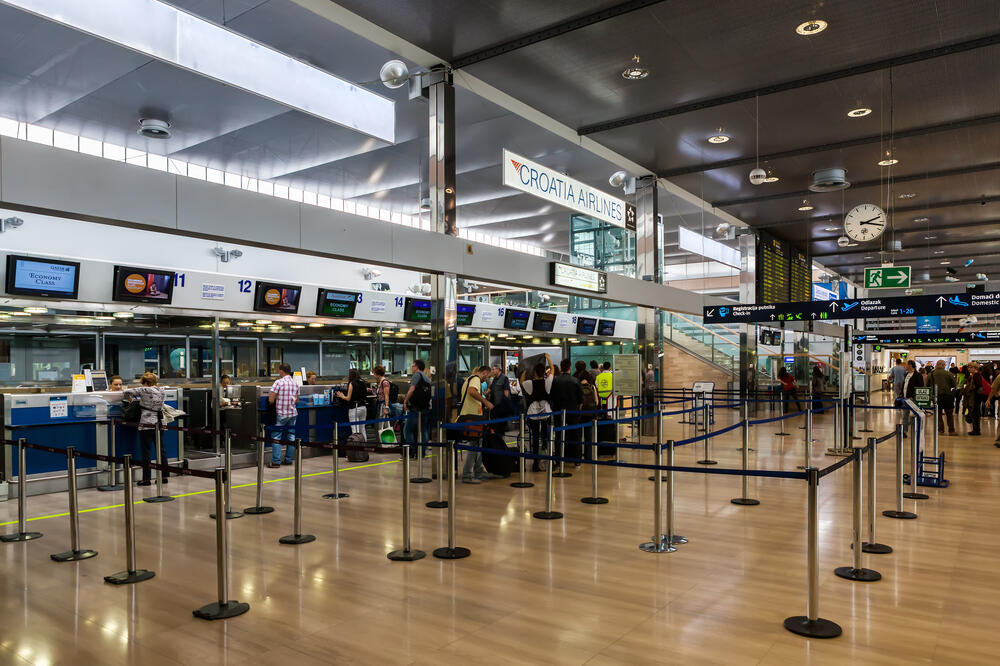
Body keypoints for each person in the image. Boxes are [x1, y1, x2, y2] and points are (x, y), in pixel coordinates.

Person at [124, 372, 166, 486]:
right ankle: (164, 477)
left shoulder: (144, 390)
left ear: (146, 383)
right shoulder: (162, 390)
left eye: (143, 383)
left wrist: (132, 400)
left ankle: (146, 479)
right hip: (160, 422)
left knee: (146, 451)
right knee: (161, 450)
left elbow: (126, 392)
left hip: (146, 424)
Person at [457, 366, 494, 483]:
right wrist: (486, 401)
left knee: (478, 443)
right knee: (473, 445)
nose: (487, 379)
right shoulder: (476, 379)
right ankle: (467, 475)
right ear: (484, 373)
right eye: (487, 377)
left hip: (473, 417)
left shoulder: (470, 379)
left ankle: (479, 471)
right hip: (470, 418)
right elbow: (472, 391)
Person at [521, 356, 554, 473]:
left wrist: (525, 371)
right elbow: (553, 370)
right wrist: (548, 358)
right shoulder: (547, 382)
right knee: (545, 438)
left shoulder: (530, 383)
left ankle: (536, 463)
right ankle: (547, 460)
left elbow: (522, 382)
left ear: (534, 372)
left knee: (535, 438)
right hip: (546, 412)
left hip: (533, 413)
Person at [551, 358, 584, 462]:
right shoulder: (575, 380)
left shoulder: (555, 380)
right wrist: (578, 410)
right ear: (570, 367)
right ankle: (576, 458)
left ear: (561, 367)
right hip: (573, 411)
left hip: (558, 411)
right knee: (575, 435)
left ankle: (558, 457)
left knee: (558, 435)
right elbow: (581, 399)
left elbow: (551, 397)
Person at [267, 363, 300, 467]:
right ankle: (288, 460)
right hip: (293, 414)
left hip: (281, 413)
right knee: (291, 436)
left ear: (281, 371)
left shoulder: (278, 382)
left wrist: (278, 398)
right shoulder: (295, 384)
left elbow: (271, 400)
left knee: (276, 436)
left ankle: (276, 461)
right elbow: (297, 401)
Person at [403, 360, 433, 454]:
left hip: (415, 408)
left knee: (407, 430)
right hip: (425, 407)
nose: (411, 368)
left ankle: (412, 451)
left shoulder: (417, 375)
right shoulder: (427, 378)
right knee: (423, 430)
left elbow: (411, 390)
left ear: (417, 367)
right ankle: (422, 453)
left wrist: (405, 401)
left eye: (412, 366)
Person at [336, 369, 369, 438]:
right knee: (362, 429)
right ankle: (365, 445)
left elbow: (348, 398)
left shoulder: (352, 383)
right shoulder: (363, 383)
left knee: (355, 431)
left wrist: (342, 396)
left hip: (355, 408)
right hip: (363, 408)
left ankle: (357, 447)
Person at [962, 362, 990, 436]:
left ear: (975, 368)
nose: (969, 369)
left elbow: (979, 386)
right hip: (976, 397)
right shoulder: (974, 375)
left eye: (970, 367)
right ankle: (975, 429)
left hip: (976, 397)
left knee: (974, 414)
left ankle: (976, 430)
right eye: (968, 367)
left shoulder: (976, 375)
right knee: (974, 413)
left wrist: (972, 390)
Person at [930, 359, 957, 435]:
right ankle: (951, 430)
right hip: (948, 396)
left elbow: (927, 384)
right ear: (943, 365)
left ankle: (940, 430)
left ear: (937, 365)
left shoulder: (931, 374)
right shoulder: (949, 374)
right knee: (949, 414)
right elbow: (954, 384)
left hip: (936, 396)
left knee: (938, 414)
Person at [901, 360, 923, 436]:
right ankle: (904, 431)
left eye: (906, 365)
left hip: (913, 399)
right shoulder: (906, 374)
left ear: (910, 365)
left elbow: (920, 387)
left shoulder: (918, 375)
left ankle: (917, 430)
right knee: (904, 415)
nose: (905, 366)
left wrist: (913, 397)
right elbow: (904, 386)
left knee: (916, 415)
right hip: (905, 398)